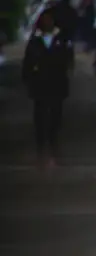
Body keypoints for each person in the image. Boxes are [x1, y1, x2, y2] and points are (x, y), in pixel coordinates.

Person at [22, 9, 73, 169]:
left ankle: (54, 148)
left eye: (49, 19)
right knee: (40, 118)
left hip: (57, 84)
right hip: (40, 85)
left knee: (56, 118)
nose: (47, 22)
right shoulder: (35, 41)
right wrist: (29, 80)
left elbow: (68, 60)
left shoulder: (62, 39)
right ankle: (41, 150)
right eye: (44, 19)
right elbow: (27, 63)